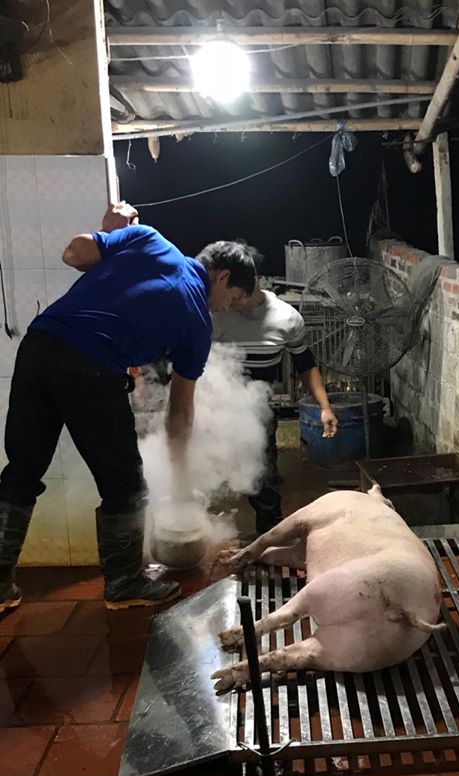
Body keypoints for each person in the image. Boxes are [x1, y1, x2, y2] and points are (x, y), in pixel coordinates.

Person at [0, 201, 252, 612]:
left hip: (38, 346)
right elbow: (181, 414)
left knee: (21, 473)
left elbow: (73, 253)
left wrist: (108, 232)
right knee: (125, 486)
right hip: (92, 368)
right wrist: (180, 478)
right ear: (221, 276)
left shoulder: (149, 239)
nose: (227, 307)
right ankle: (123, 584)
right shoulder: (198, 323)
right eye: (234, 298)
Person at [210, 243, 338, 534]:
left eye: (234, 297)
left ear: (251, 284)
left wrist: (325, 408)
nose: (226, 303)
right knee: (205, 476)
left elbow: (306, 364)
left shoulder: (286, 318)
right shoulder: (215, 313)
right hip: (212, 408)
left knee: (264, 479)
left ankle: (270, 537)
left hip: (258, 410)